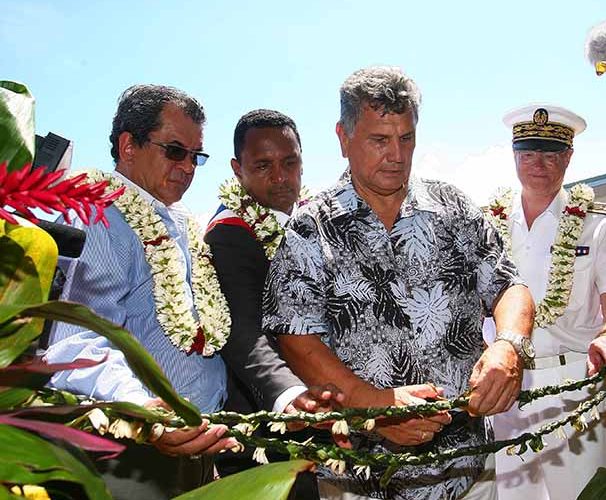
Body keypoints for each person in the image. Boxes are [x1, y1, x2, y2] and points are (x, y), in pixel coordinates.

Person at [263, 66, 535, 500]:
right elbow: (296, 337)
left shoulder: (454, 208)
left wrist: (509, 346)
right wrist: (375, 406)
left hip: (468, 469)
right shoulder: (310, 229)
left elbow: (508, 285)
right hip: (363, 478)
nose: (396, 154)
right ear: (343, 137)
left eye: (406, 138)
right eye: (379, 140)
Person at [44, 84, 238, 499]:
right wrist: (144, 411)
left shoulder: (180, 221)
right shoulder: (98, 212)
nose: (188, 168)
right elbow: (74, 341)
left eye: (195, 156)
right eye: (174, 151)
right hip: (134, 452)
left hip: (193, 446)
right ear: (128, 145)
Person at [485, 104, 606, 500]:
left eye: (551, 153)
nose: (539, 163)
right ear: (514, 155)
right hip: (507, 390)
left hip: (577, 387)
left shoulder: (596, 225)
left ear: (568, 157)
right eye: (529, 152)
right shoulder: (486, 225)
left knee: (584, 494)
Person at [205, 109, 343, 495]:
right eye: (263, 165)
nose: (280, 177)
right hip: (266, 432)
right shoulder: (229, 235)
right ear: (237, 169)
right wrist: (288, 395)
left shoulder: (312, 223)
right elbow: (242, 332)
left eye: (290, 162)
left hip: (327, 417)